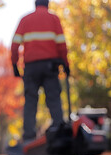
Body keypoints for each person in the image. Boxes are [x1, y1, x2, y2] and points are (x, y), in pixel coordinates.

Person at [11, 0, 70, 144]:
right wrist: (66, 64)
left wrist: (15, 65)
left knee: (30, 101)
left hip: (31, 68)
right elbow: (62, 45)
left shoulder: (25, 20)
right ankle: (59, 135)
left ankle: (29, 138)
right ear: (47, 4)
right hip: (50, 66)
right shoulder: (54, 19)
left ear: (35, 4)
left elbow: (14, 46)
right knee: (54, 99)